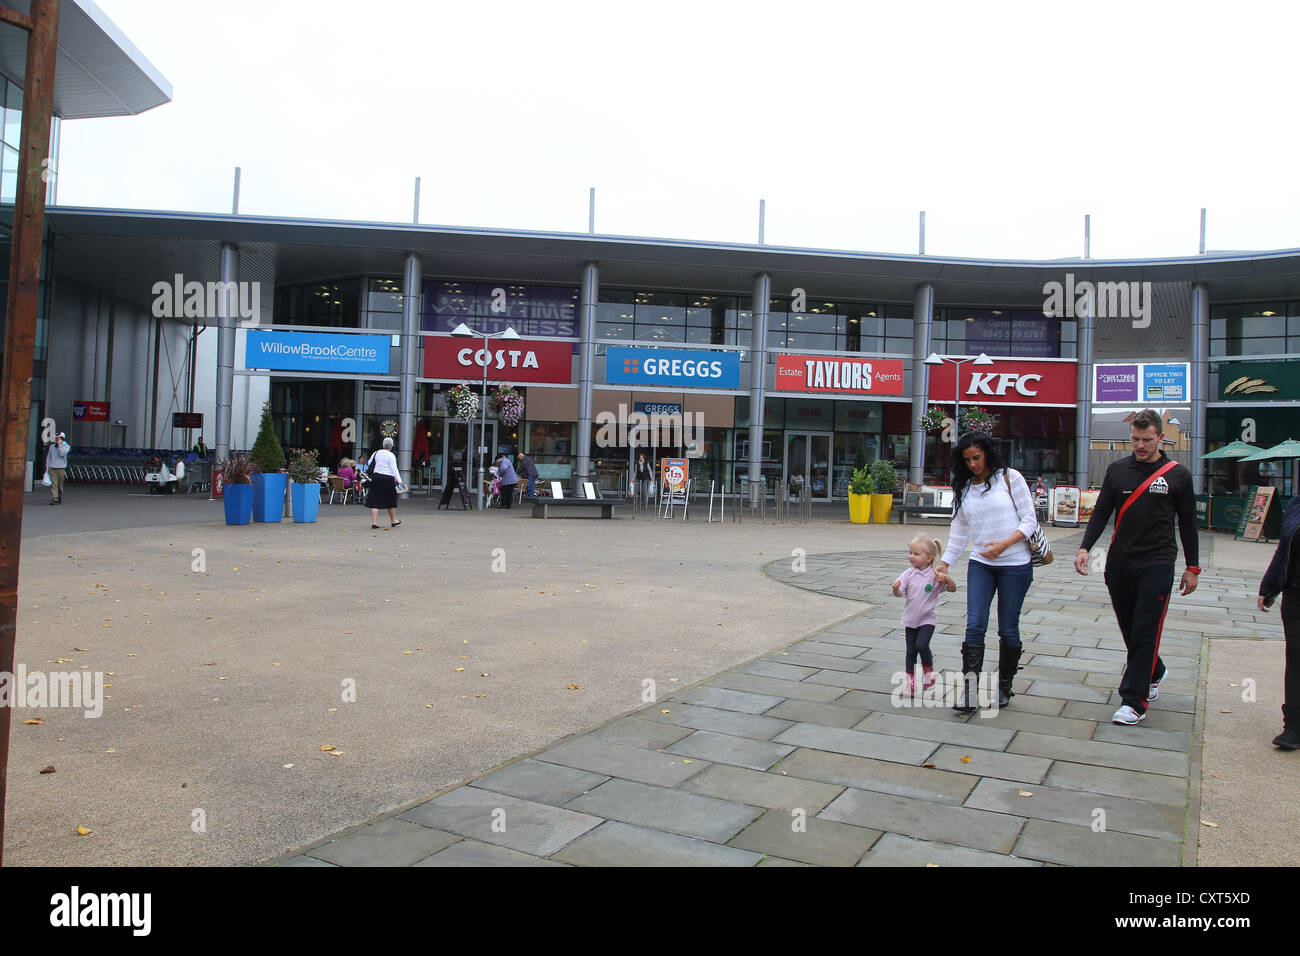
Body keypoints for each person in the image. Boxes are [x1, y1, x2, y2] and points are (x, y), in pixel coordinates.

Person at [1075, 409, 1200, 726]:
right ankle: (1155, 670)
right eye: (1135, 439)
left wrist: (1192, 567)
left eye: (1146, 440)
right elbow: (1102, 512)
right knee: (1130, 629)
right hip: (1119, 564)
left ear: (1161, 437)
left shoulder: (1178, 475)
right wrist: (1084, 548)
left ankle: (1134, 700)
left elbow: (1188, 523)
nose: (1140, 445)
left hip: (1157, 563)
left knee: (1145, 630)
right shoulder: (1117, 470)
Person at [934, 432, 1038, 713]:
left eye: (977, 458)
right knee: (975, 625)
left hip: (1015, 565)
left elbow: (1030, 519)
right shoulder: (965, 487)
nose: (973, 464)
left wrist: (1004, 544)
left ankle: (1004, 687)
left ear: (988, 454)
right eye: (967, 460)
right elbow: (959, 530)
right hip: (981, 564)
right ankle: (969, 692)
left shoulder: (1010, 478)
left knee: (1007, 628)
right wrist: (945, 562)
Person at [1258, 494, 1300, 750]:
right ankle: (1293, 726)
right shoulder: (1296, 504)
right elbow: (1283, 550)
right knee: (1295, 659)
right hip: (1295, 595)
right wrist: (1269, 586)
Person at [892, 534, 957, 695]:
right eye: (910, 552)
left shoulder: (934, 575)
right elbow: (899, 593)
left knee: (922, 645)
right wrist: (895, 588)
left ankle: (929, 674)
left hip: (927, 619)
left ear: (929, 558)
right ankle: (911, 683)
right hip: (910, 619)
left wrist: (947, 579)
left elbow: (953, 588)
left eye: (916, 554)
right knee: (910, 651)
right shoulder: (908, 574)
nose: (911, 556)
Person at [365, 438, 404, 529]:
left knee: (375, 498)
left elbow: (369, 462)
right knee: (391, 499)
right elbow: (394, 469)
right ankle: (393, 520)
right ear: (391, 446)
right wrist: (400, 481)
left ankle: (374, 522)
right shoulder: (391, 455)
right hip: (388, 478)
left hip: (377, 476)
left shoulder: (376, 453)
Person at [45, 432, 70, 505]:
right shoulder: (52, 447)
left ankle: (59, 497)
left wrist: (59, 445)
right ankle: (55, 498)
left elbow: (62, 453)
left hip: (61, 468)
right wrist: (47, 467)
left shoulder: (66, 446)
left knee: (60, 485)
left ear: (62, 439)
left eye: (58, 438)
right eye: (56, 438)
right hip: (52, 467)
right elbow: (49, 457)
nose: (56, 439)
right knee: (54, 484)